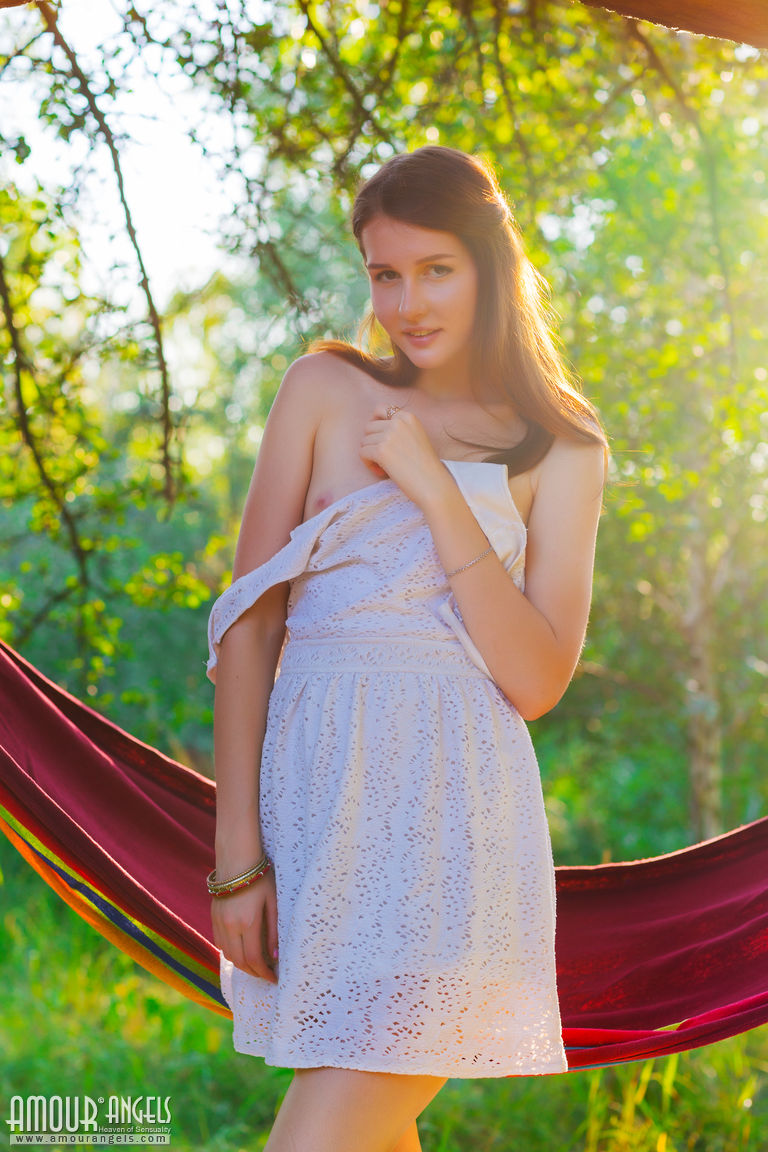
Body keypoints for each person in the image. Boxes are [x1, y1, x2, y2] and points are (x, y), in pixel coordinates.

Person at [205, 145, 607, 1152]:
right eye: (385, 274)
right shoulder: (321, 389)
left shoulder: (562, 446)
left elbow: (535, 678)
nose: (407, 303)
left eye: (436, 270)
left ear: (490, 267)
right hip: (316, 817)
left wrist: (433, 488)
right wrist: (236, 857)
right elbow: (249, 626)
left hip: (456, 826)